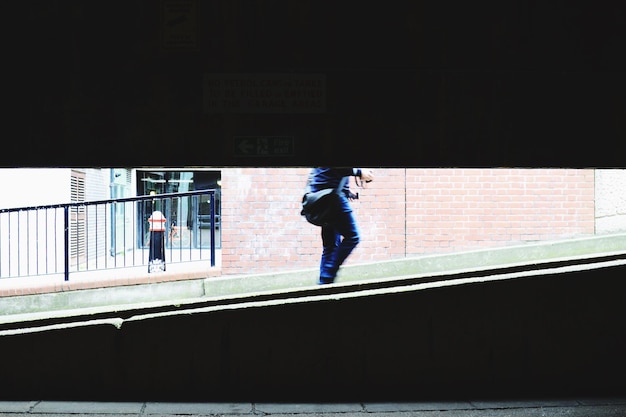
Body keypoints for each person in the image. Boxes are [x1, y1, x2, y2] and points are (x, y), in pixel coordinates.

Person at [306, 167, 375, 284]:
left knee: (330, 245)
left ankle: (324, 284)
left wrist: (345, 190)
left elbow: (329, 173)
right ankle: (328, 275)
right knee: (353, 237)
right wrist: (359, 172)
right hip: (332, 196)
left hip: (322, 196)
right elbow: (338, 166)